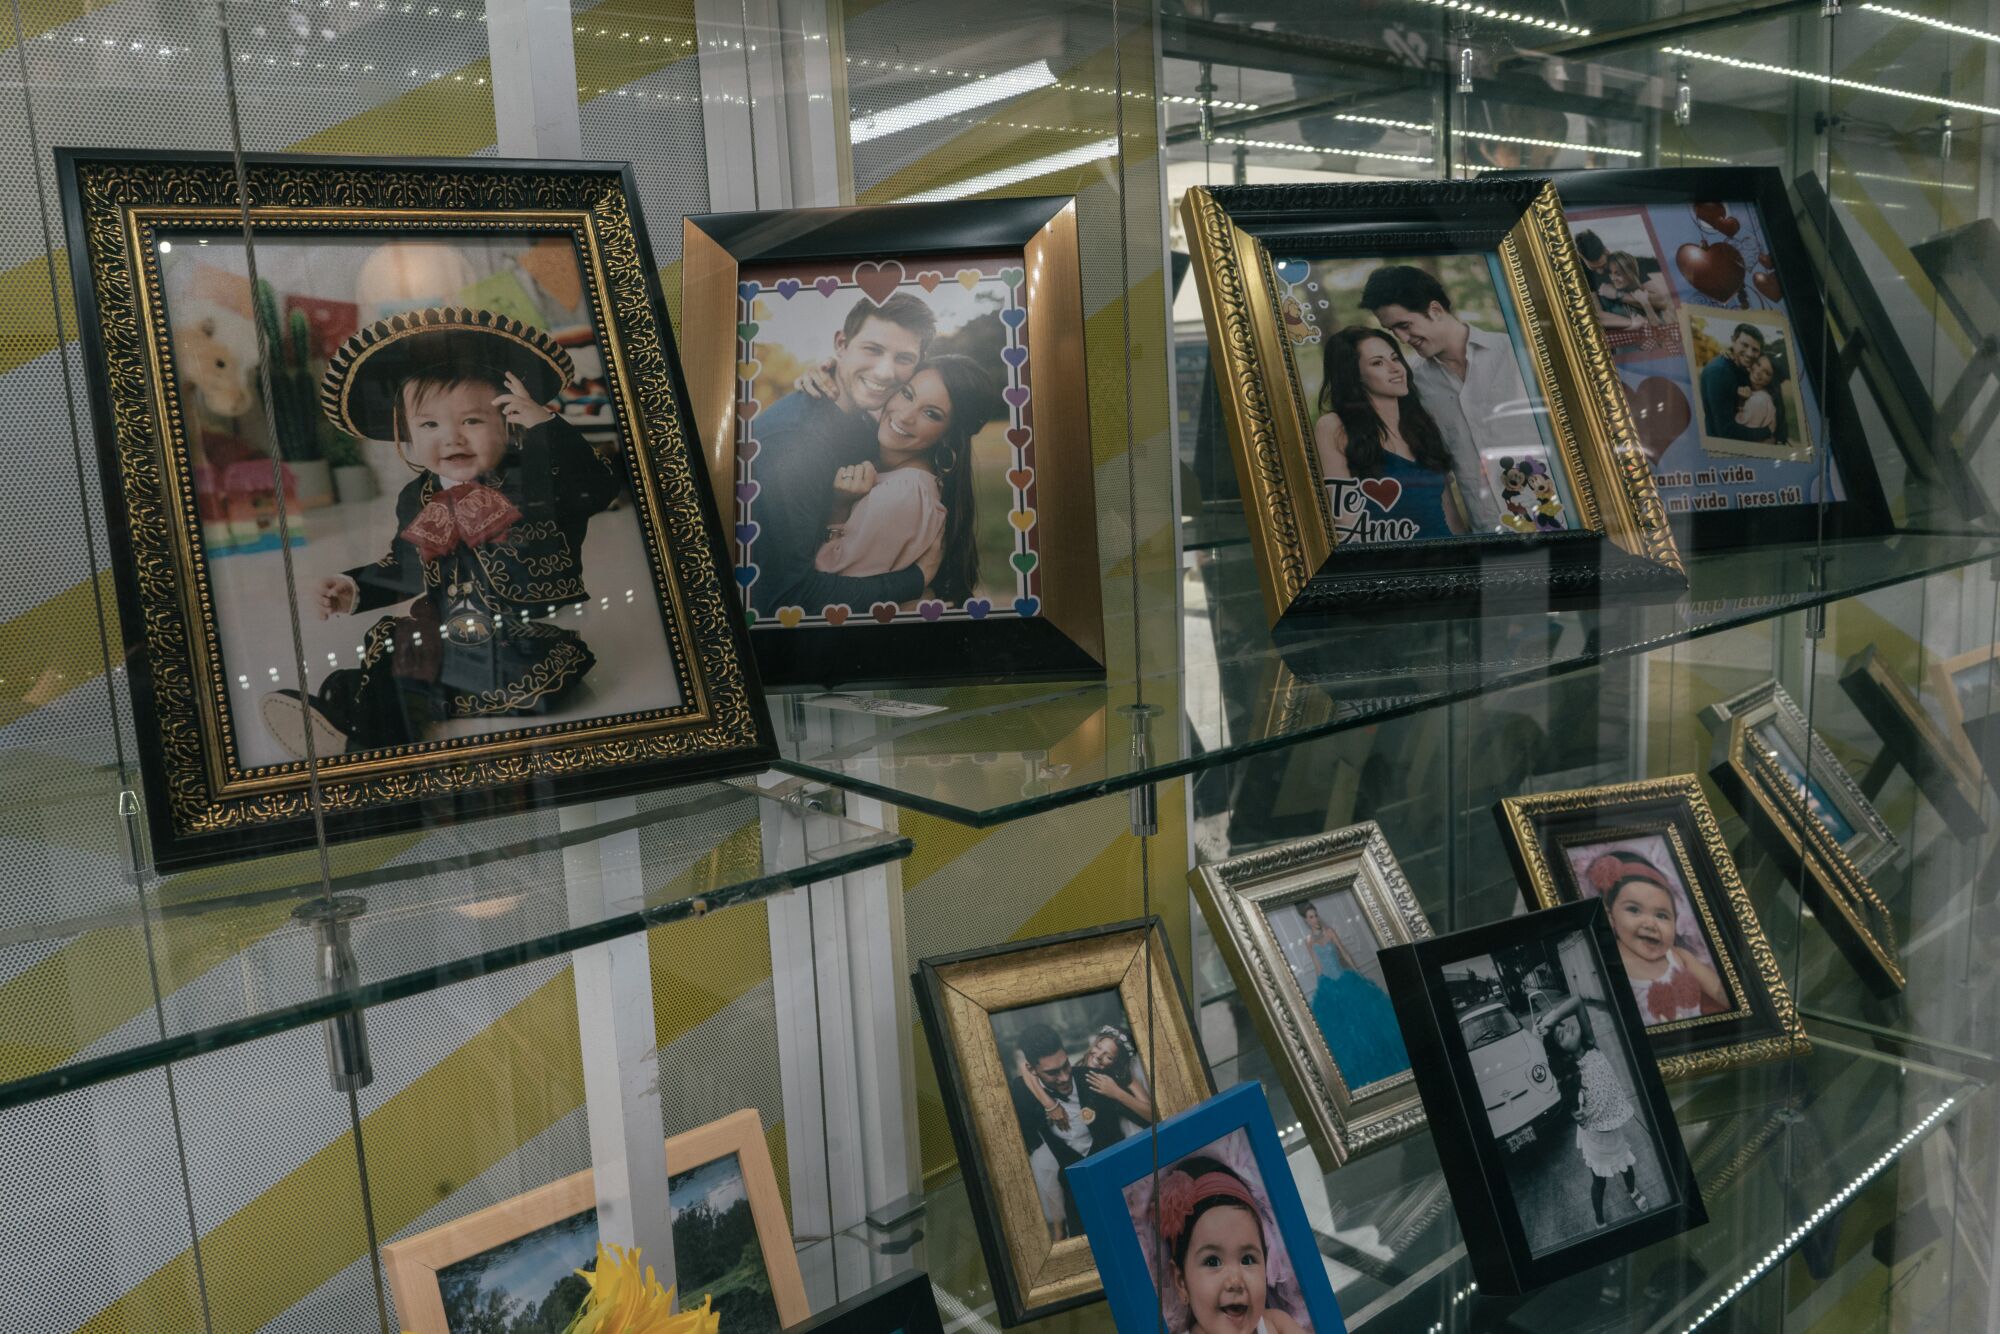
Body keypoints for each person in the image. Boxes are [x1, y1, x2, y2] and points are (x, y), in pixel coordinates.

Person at [261, 309, 618, 756]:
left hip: (522, 639)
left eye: (472, 421)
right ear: (406, 435)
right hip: (450, 636)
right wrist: (355, 588)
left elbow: (596, 491)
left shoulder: (539, 476)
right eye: (429, 424)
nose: (451, 438)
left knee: (453, 675)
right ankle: (356, 717)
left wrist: (547, 428)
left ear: (510, 424)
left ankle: (362, 735)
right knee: (399, 646)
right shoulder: (418, 496)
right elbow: (407, 565)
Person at [746, 293, 941, 615]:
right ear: (841, 343)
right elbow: (784, 598)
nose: (884, 372)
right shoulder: (794, 444)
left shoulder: (868, 420)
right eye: (872, 349)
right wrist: (914, 581)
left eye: (903, 358)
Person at [1361, 264, 1548, 531]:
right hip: (1490, 533)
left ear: (1435, 310)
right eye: (1393, 331)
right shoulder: (1412, 382)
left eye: (1404, 325)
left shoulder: (1516, 353)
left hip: (1558, 519)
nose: (1402, 338)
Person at [814, 354, 999, 608]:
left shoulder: (901, 494)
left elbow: (824, 595)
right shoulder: (897, 474)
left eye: (931, 414)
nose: (905, 416)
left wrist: (838, 510)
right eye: (907, 394)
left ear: (948, 435)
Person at [1312, 327, 1465, 539]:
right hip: (1391, 564)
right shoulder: (1334, 427)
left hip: (1449, 559)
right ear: (1354, 375)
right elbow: (1346, 524)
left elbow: (1452, 520)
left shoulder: (1421, 423)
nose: (1395, 368)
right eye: (1378, 363)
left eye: (1395, 358)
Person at [1157, 1156, 1309, 1334]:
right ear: (1181, 1282)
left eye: (1247, 1259)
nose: (1235, 1281)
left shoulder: (1276, 1324)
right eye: (1212, 1262)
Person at [1009, 1021, 1125, 1240]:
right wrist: (1049, 1103)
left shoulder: (1092, 1080)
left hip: (1115, 1185)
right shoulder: (1023, 1094)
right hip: (1074, 1198)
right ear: (1033, 1070)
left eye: (1065, 1066)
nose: (1063, 1077)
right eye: (1053, 1073)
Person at [1538, 1003, 1649, 1225]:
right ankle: (1599, 1218)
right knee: (1599, 1182)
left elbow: (1578, 1002)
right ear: (1561, 1052)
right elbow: (1569, 1102)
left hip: (1614, 1131)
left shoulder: (1592, 1046)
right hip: (1597, 1140)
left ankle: (1632, 1190)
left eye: (1563, 1025)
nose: (1566, 1029)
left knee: (1626, 1166)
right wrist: (1572, 1113)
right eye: (1560, 1036)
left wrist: (1553, 1018)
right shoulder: (1570, 1073)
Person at [1586, 852, 1728, 1024]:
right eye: (1634, 910)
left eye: (1661, 916)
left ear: (1675, 923)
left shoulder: (1678, 956)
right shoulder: (1608, 961)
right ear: (1610, 916)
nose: (1650, 924)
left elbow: (1719, 990)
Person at [1299, 903, 1410, 1089]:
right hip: (1328, 984)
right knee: (1344, 1031)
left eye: (1315, 915)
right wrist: (1322, 987)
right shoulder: (1309, 941)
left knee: (1364, 1022)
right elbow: (1317, 966)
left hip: (1345, 979)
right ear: (1305, 920)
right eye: (1310, 917)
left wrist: (1358, 974)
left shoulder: (1330, 932)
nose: (1314, 919)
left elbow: (1345, 954)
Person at [1698, 322, 1776, 443]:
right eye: (1744, 345)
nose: (1750, 353)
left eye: (1755, 350)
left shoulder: (1738, 368)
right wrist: (1767, 431)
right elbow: (1726, 432)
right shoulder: (1719, 373)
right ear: (1733, 341)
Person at [1081, 1025, 1154, 1139]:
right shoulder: (1075, 1071)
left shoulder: (1123, 1077)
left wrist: (1116, 1093)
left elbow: (1152, 1115)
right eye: (1098, 1047)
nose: (1099, 1056)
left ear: (1117, 1063)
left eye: (1108, 1057)